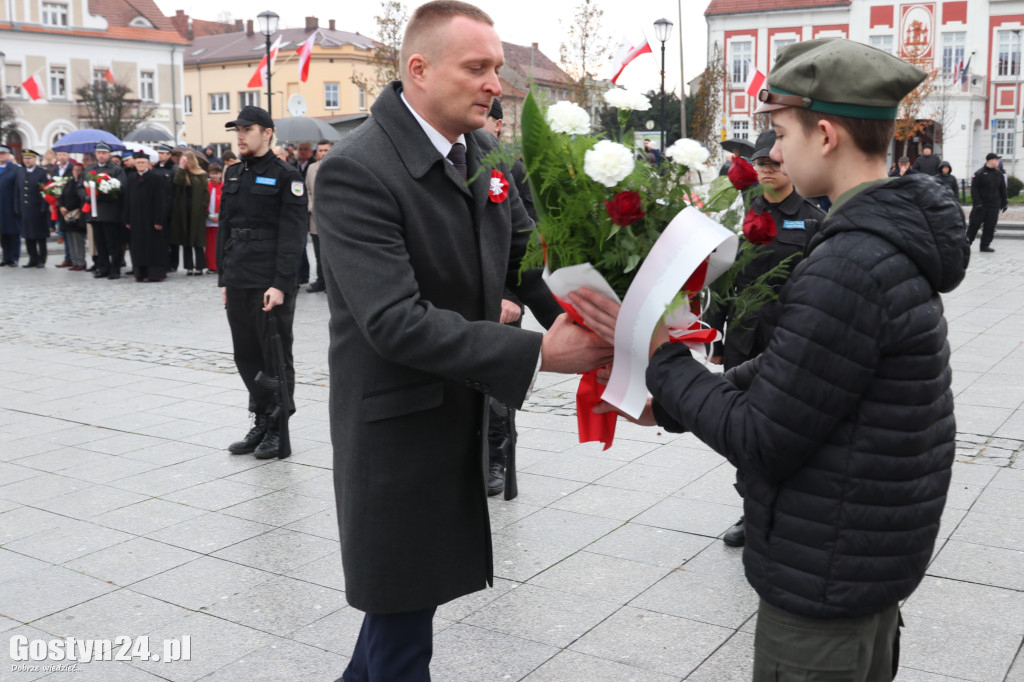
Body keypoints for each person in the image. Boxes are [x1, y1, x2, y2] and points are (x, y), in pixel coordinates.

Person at [572, 37, 968, 681]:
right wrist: (670, 402)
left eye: (782, 132)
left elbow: (763, 437)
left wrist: (661, 360)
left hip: (823, 591)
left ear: (828, 134)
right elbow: (800, 375)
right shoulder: (883, 242)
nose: (775, 152)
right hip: (858, 567)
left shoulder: (849, 263)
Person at [314, 3, 614, 679]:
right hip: (397, 427)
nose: (494, 84)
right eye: (477, 67)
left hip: (456, 410)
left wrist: (613, 322)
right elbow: (393, 320)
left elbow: (528, 262)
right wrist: (538, 353)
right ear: (418, 70)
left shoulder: (486, 154)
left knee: (399, 616)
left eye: (497, 69)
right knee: (402, 626)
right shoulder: (356, 170)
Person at [704, 129, 824, 548]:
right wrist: (712, 332)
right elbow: (723, 278)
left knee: (785, 427)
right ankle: (752, 510)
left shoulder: (812, 219)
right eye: (761, 164)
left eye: (775, 162)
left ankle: (785, 509)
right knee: (742, 428)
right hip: (742, 337)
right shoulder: (736, 216)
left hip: (787, 339)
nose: (768, 170)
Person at [481, 97, 563, 496]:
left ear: (497, 125)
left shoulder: (509, 168)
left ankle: (498, 454)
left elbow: (523, 241)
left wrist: (513, 295)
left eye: (485, 117)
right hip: (465, 298)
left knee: (498, 381)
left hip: (504, 300)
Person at [218, 105, 307, 460]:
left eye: (247, 129)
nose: (239, 135)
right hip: (239, 275)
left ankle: (277, 425)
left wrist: (282, 284)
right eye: (236, 129)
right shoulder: (233, 174)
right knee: (246, 355)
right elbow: (226, 226)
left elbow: (293, 235)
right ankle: (259, 418)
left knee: (274, 356)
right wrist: (224, 277)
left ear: (267, 132)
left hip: (269, 280)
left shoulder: (287, 176)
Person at [122, 151, 170, 282]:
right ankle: (140, 272)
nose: (140, 165)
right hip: (136, 219)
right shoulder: (131, 178)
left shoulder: (156, 178)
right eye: (138, 163)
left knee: (152, 247)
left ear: (148, 164)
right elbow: (126, 199)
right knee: (138, 247)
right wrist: (126, 218)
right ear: (135, 164)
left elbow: (161, 201)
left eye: (143, 162)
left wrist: (158, 220)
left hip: (151, 220)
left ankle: (154, 273)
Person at [83, 142, 127, 279]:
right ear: (95, 154)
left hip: (110, 211)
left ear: (108, 154)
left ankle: (115, 269)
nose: (101, 155)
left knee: (112, 243)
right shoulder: (90, 170)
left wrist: (106, 192)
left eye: (104, 153)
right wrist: (87, 196)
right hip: (94, 212)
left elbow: (122, 188)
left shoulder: (116, 170)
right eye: (99, 153)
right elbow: (80, 186)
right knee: (100, 243)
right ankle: (103, 267)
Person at [170, 150, 210, 276]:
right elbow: (177, 182)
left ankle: (199, 266)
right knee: (186, 239)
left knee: (197, 239)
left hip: (197, 211)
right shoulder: (181, 173)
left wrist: (203, 207)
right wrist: (181, 167)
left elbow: (205, 192)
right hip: (182, 210)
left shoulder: (201, 174)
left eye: (185, 160)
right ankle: (189, 266)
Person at [304, 140, 331, 293]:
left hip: (332, 219)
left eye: (326, 150)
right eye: (320, 150)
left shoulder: (337, 166)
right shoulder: (311, 168)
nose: (323, 153)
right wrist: (310, 205)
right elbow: (307, 190)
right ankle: (320, 281)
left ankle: (331, 284)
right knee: (318, 253)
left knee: (331, 254)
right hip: (315, 218)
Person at [16, 149, 50, 268]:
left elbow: (46, 192)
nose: (27, 160)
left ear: (35, 159)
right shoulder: (20, 171)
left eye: (29, 158)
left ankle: (42, 259)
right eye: (25, 158)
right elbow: (17, 191)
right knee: (28, 236)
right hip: (25, 209)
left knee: (40, 236)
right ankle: (32, 258)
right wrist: (17, 207)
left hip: (38, 209)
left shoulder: (41, 173)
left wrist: (43, 207)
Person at [968, 152, 1006, 253]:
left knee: (990, 226)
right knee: (974, 225)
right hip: (981, 206)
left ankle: (985, 245)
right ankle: (967, 244)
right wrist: (977, 203)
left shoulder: (999, 174)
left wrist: (1004, 202)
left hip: (994, 206)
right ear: (990, 160)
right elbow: (974, 190)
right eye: (996, 159)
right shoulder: (979, 173)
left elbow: (1002, 189)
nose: (998, 161)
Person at [59, 162, 88, 271]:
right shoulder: (70, 182)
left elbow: (78, 198)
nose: (76, 172)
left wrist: (67, 207)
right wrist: (61, 206)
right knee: (70, 239)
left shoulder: (82, 183)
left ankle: (81, 262)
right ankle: (74, 261)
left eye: (78, 170)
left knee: (78, 240)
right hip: (66, 216)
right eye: (74, 170)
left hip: (76, 215)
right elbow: (62, 195)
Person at [50, 151, 75, 268]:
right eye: (59, 155)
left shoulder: (72, 168)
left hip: (70, 205)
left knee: (72, 233)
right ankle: (68, 258)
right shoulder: (54, 169)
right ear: (57, 157)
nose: (62, 157)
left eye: (64, 154)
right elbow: (51, 186)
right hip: (58, 205)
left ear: (68, 156)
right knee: (63, 232)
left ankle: (74, 258)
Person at [0, 144, 22, 266]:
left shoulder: (15, 169)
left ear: (9, 155)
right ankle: (5, 257)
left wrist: (17, 207)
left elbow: (18, 189)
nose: (1, 156)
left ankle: (14, 257)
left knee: (13, 234)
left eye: (3, 154)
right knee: (2, 234)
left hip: (11, 206)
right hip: (0, 207)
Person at [205, 163, 223, 272]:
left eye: (217, 173)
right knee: (210, 244)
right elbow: (204, 201)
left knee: (219, 244)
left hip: (220, 219)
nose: (215, 176)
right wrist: (208, 215)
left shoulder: (224, 186)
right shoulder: (207, 186)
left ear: (221, 174)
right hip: (209, 218)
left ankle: (219, 265)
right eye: (212, 173)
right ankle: (211, 266)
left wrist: (220, 215)